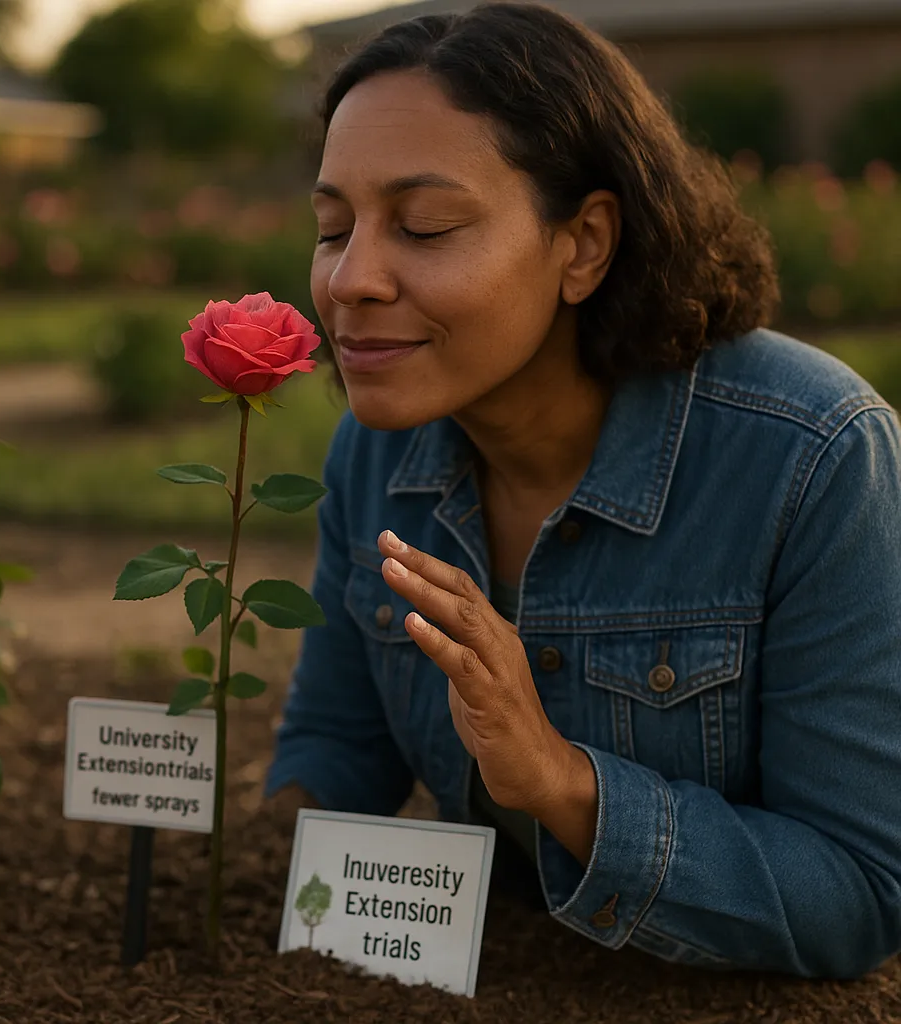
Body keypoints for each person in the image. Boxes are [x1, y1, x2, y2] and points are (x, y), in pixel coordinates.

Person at [264, 1, 901, 979]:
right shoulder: (376, 452)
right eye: (333, 226)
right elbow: (340, 740)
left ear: (585, 244)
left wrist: (561, 783)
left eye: (425, 226)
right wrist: (257, 851)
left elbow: (858, 893)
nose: (351, 278)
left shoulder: (813, 458)